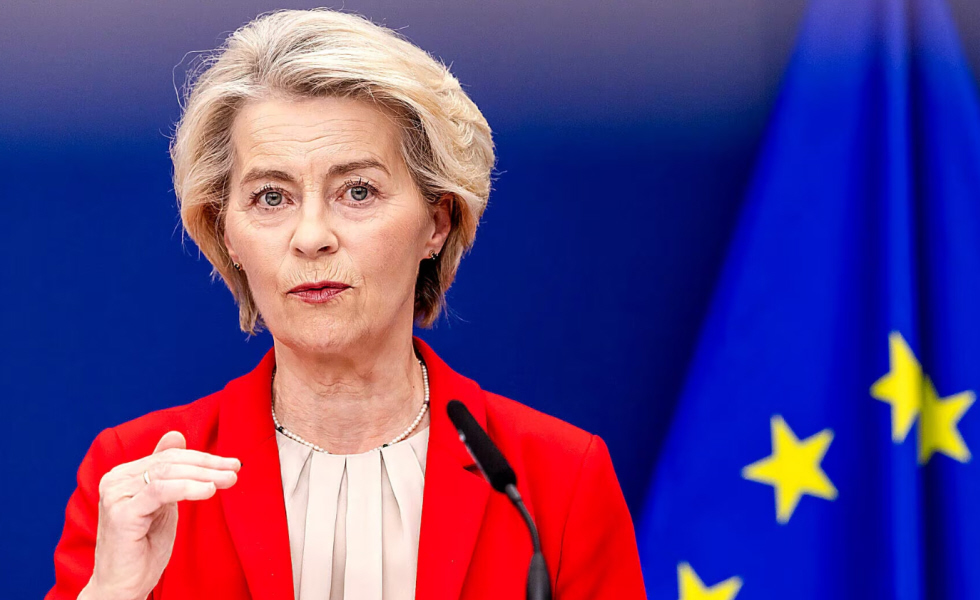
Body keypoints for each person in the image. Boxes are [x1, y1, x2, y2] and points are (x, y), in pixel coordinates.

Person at [46, 8, 646, 599]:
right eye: (271, 197)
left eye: (357, 191)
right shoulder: (139, 477)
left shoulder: (555, 480)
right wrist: (113, 591)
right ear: (226, 233)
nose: (311, 236)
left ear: (437, 222)